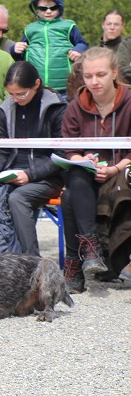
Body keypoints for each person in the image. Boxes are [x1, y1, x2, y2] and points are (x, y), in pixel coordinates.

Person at [58, 47, 131, 292]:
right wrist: (83, 158)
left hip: (123, 174)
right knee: (75, 179)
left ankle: (75, 266)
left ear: (114, 73)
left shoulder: (130, 101)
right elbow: (69, 149)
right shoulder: (75, 107)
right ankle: (89, 249)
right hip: (88, 177)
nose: (94, 81)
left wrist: (115, 168)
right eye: (88, 76)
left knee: (70, 196)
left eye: (100, 75)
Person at [0, 61, 65, 257]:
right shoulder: (5, 109)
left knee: (18, 199)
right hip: (11, 173)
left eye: (21, 94)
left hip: (48, 176)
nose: (16, 99)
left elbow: (62, 154)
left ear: (36, 84)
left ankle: (31, 261)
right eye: (11, 94)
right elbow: (0, 150)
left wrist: (30, 174)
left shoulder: (55, 108)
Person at [11, 0, 87, 96]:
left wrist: (78, 50)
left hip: (64, 86)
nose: (48, 11)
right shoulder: (30, 29)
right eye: (43, 8)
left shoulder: (68, 25)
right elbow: (22, 57)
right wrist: (14, 49)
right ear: (36, 8)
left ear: (60, 7)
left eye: (53, 7)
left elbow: (82, 43)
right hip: (36, 86)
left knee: (64, 111)